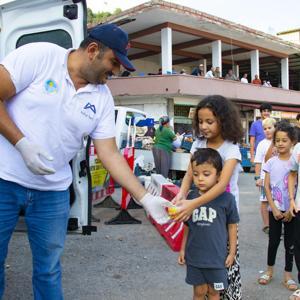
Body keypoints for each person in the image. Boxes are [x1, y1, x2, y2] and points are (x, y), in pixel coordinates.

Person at [0, 24, 172, 300]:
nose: (115, 71)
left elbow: (110, 154)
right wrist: (21, 143)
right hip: (4, 180)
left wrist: (144, 197)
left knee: (48, 271)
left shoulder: (102, 98)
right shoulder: (40, 57)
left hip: (53, 193)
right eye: (113, 62)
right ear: (92, 50)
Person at [173, 95, 243, 300]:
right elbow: (188, 174)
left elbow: (222, 185)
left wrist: (191, 203)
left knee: (224, 266)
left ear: (224, 120)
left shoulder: (231, 148)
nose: (203, 126)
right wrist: (181, 195)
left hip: (223, 215)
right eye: (200, 121)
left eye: (209, 122)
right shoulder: (198, 144)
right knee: (200, 265)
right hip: (199, 212)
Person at [178, 148, 239, 300]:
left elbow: (232, 227)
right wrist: (182, 249)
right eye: (196, 174)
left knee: (214, 292)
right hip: (195, 257)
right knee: (198, 292)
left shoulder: (227, 199)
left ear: (219, 176)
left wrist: (232, 253)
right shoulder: (190, 197)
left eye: (206, 174)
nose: (200, 179)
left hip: (217, 258)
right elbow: (187, 227)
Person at [258, 122, 297, 291]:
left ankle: (288, 275)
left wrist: (291, 209)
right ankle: (269, 270)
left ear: (292, 142)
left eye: (285, 140)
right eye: (278, 140)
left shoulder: (296, 162)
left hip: (293, 211)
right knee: (273, 241)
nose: (280, 143)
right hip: (274, 209)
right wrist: (273, 207)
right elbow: (266, 187)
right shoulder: (271, 162)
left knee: (291, 243)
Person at [254, 117, 276, 234]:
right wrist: (258, 177)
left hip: (277, 178)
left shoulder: (279, 141)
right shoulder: (262, 144)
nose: (267, 130)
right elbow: (258, 161)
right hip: (264, 178)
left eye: (269, 128)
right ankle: (266, 225)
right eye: (264, 129)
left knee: (276, 200)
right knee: (264, 201)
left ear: (275, 128)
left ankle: (276, 224)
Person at [288, 131, 300, 300]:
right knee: (299, 247)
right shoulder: (298, 148)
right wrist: (291, 199)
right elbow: (292, 173)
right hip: (299, 206)